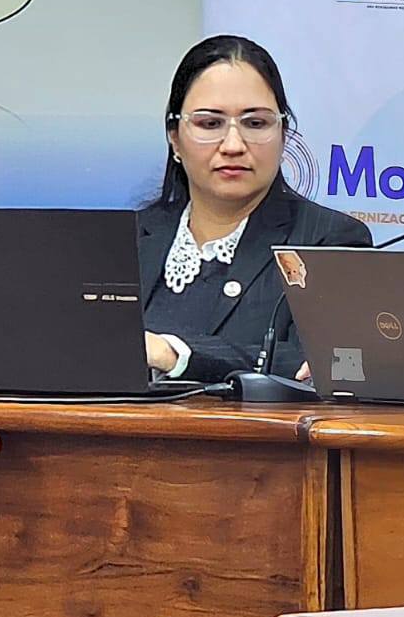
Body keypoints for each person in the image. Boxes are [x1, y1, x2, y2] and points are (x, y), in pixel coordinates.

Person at [138, 35, 370, 381]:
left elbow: (330, 361)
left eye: (255, 123)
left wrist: (175, 354)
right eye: (210, 124)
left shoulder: (328, 240)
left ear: (283, 135)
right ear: (175, 138)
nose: (233, 145)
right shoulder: (127, 238)